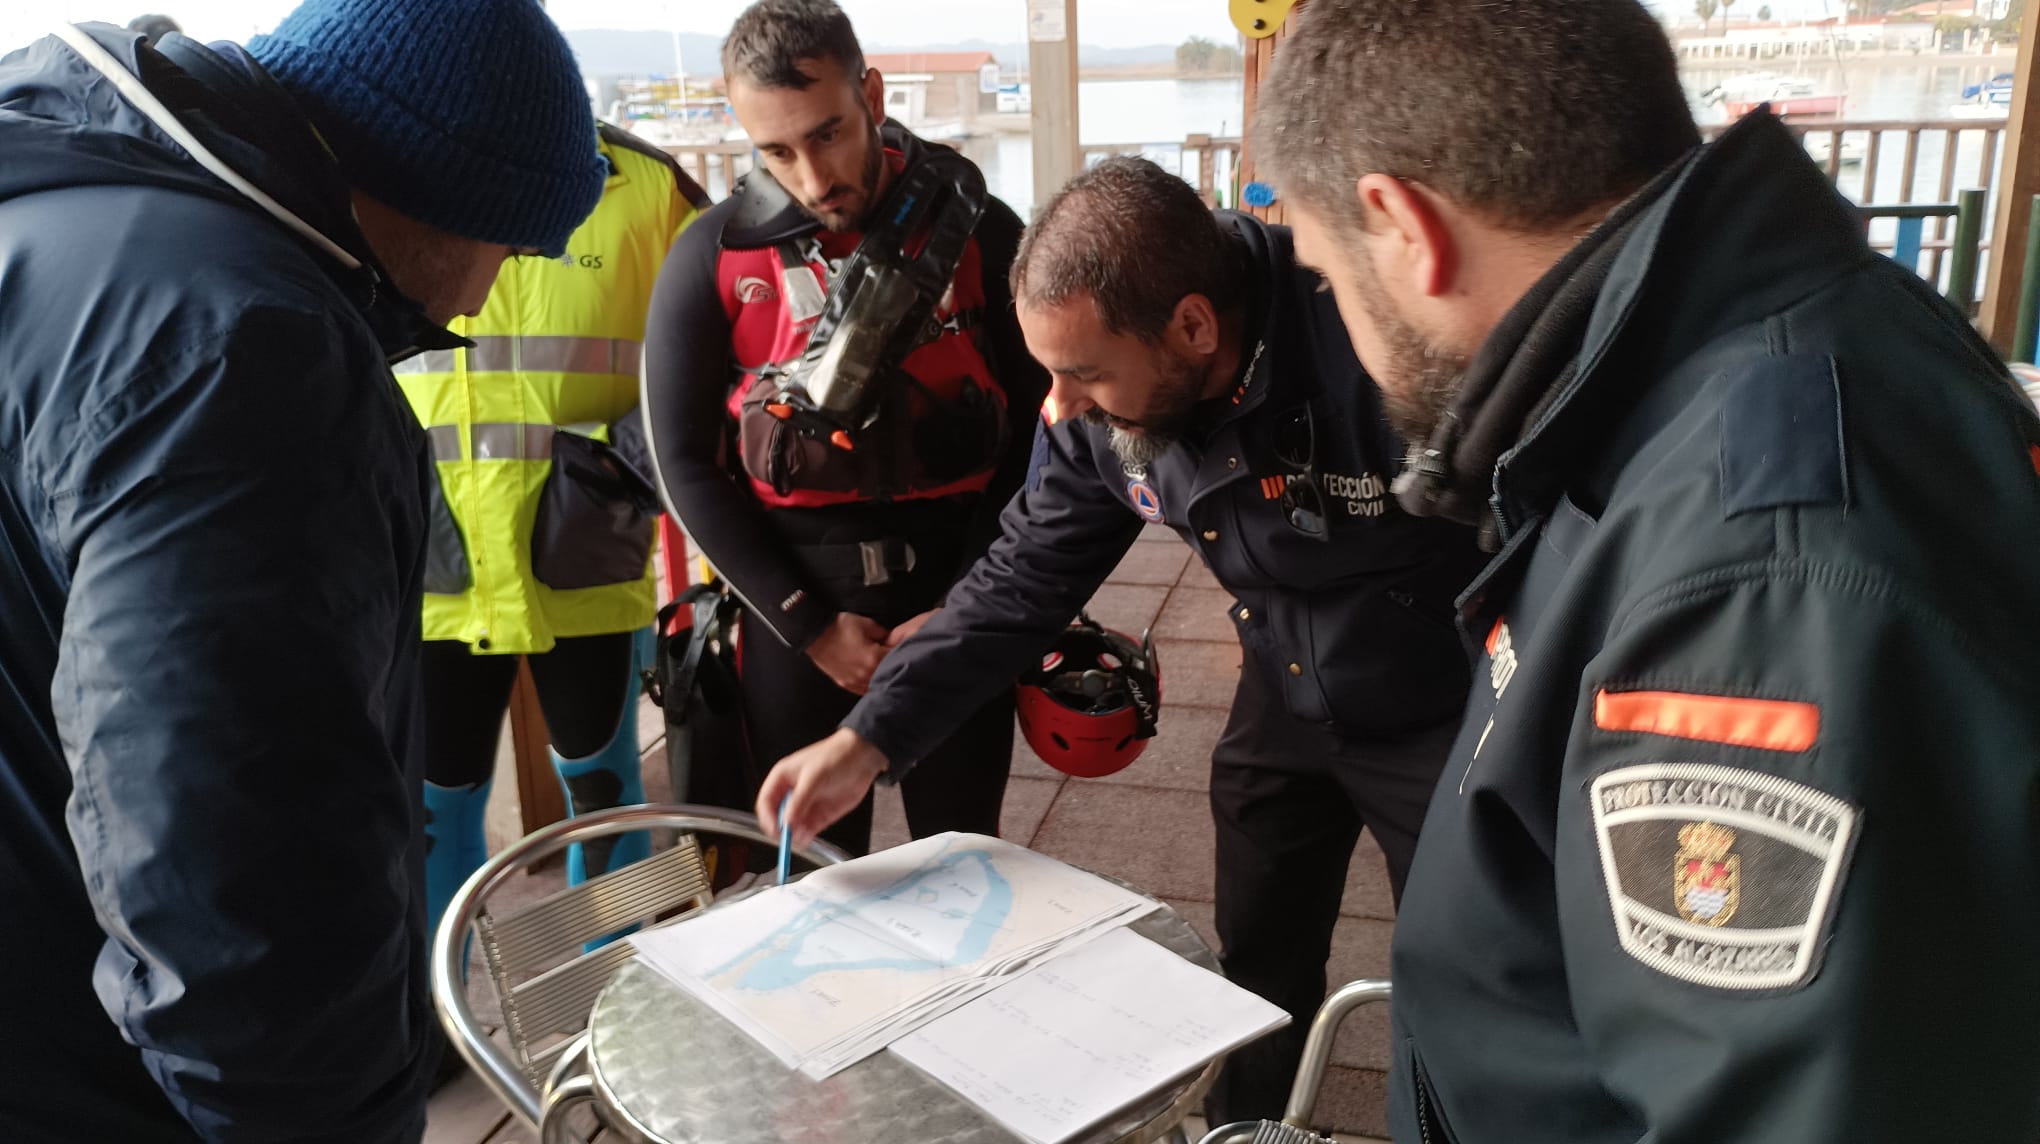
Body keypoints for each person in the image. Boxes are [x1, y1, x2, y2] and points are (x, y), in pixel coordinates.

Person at [1253, 1, 2040, 1140]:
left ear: (1403, 227)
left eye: (1326, 278)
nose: (1340, 322)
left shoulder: (1756, 571)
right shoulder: (1718, 374)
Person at [758, 156, 1489, 1124]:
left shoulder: (1374, 340)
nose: (1059, 406)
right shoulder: (1093, 406)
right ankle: (1248, 1126)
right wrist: (871, 737)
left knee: (1464, 975)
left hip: (1440, 698)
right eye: (1048, 373)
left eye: (1085, 373)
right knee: (1259, 956)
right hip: (1281, 677)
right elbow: (1021, 577)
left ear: (1194, 326)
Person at [0, 3, 604, 1140]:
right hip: (99, 1072)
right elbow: (233, 852)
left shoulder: (56, 219)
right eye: (503, 247)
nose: (477, 300)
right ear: (439, 188)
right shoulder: (249, 345)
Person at [642, 0, 1046, 856]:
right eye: (776, 152)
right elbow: (682, 465)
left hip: (956, 588)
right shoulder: (709, 255)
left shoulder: (980, 231)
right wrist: (810, 628)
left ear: (871, 91)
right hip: (800, 606)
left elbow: (1040, 440)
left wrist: (968, 607)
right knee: (813, 875)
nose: (813, 177)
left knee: (967, 859)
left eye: (828, 134)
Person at [400, 125, 709, 934]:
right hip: (431, 565)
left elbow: (726, 355)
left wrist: (626, 468)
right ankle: (436, 1031)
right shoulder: (376, 181)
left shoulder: (646, 191)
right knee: (434, 808)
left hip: (585, 550)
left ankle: (615, 1003)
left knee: (606, 794)